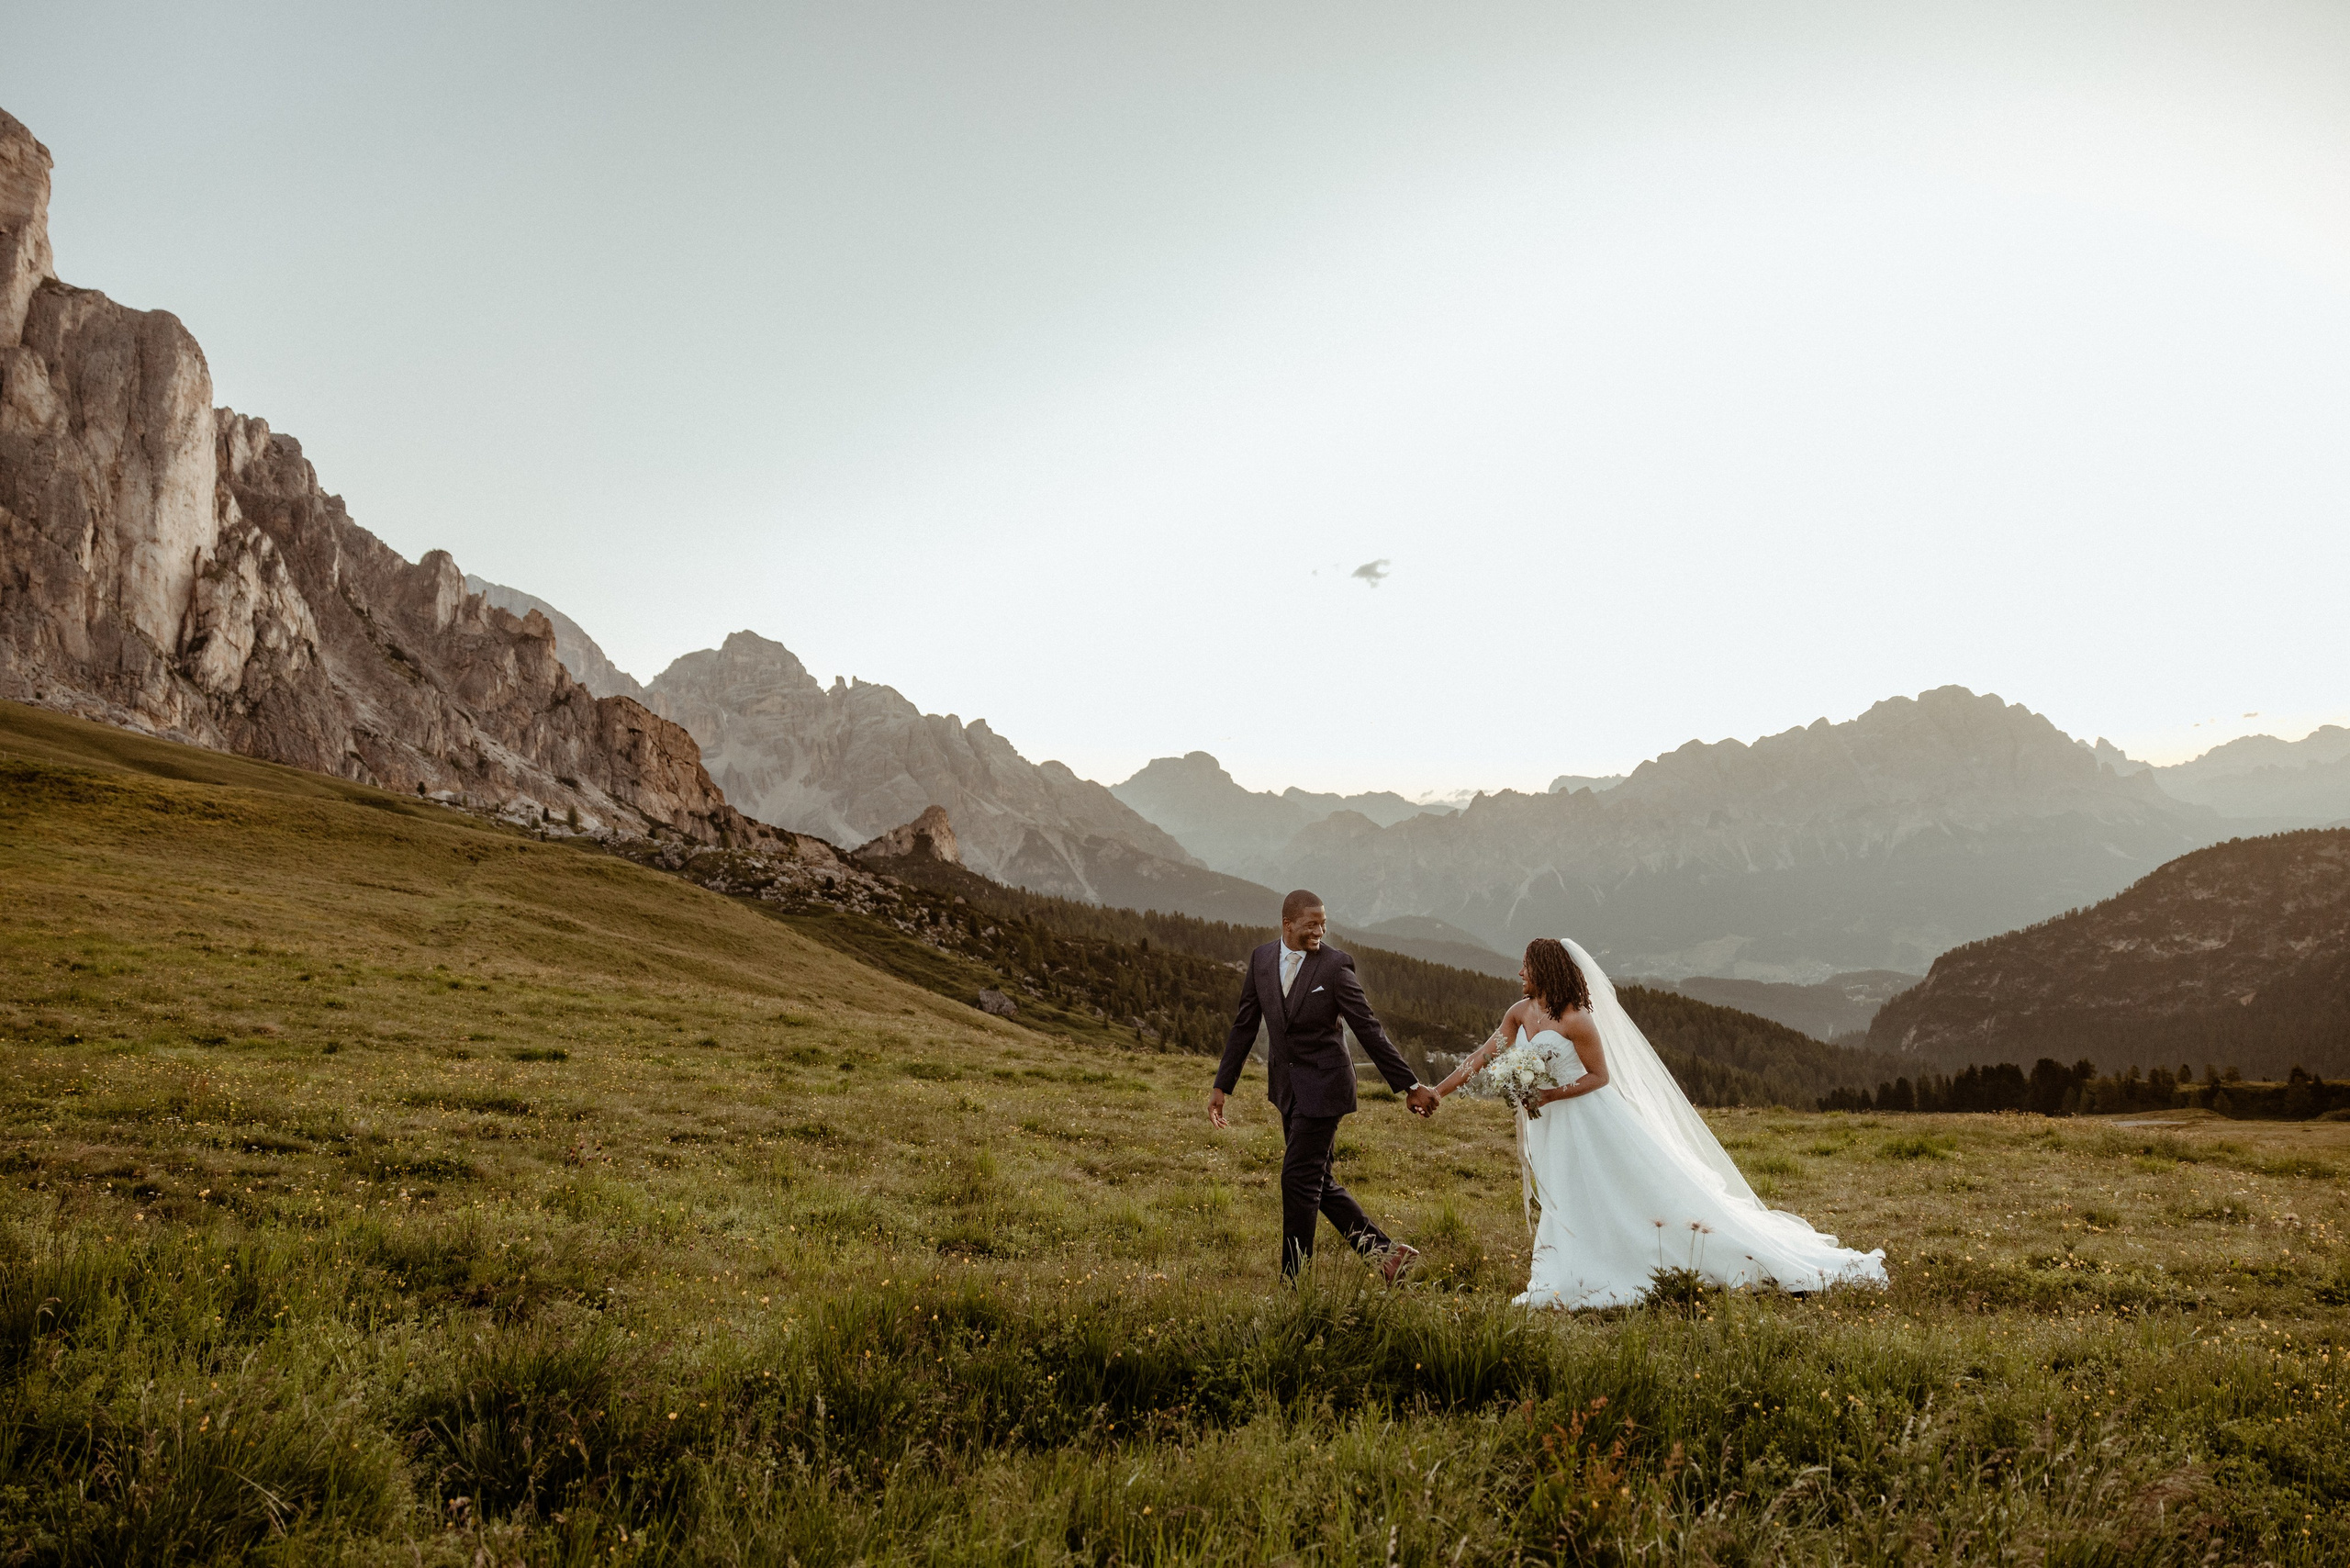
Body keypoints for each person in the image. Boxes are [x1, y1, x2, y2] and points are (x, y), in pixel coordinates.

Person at [1431, 936, 1888, 1309]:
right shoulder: (1519, 1012)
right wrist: (1439, 1091)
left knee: (1618, 1191)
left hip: (1589, 1119)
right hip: (1550, 1123)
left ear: (1546, 969)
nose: (1520, 973)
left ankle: (1646, 1259)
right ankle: (1570, 1262)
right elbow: (1484, 1055)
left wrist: (1551, 1093)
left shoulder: (1576, 1019)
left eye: (1527, 966)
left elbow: (1599, 1077)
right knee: (1566, 1192)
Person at [1208, 889, 1439, 1281]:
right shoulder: (1261, 959)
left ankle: (1294, 1284)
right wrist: (1222, 1086)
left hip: (1327, 1087)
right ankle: (1388, 1258)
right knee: (1316, 1179)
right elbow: (1245, 1025)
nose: (1319, 931)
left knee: (1297, 1179)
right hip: (1287, 1090)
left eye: (1324, 924)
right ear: (1288, 924)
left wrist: (1408, 1085)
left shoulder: (1335, 967)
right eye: (1311, 924)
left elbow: (1367, 1028)